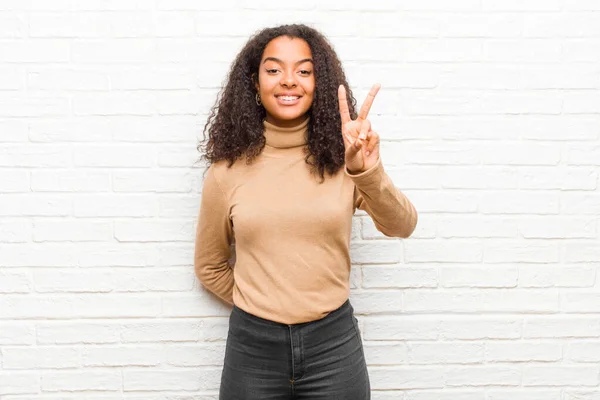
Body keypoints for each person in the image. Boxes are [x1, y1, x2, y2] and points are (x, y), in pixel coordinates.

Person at [194, 23, 418, 400]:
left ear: (319, 83)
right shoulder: (226, 172)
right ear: (254, 81)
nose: (288, 81)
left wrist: (367, 169)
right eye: (273, 69)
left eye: (304, 70)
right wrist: (262, 304)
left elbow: (402, 225)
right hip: (253, 349)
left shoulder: (342, 161)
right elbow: (210, 266)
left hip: (334, 346)